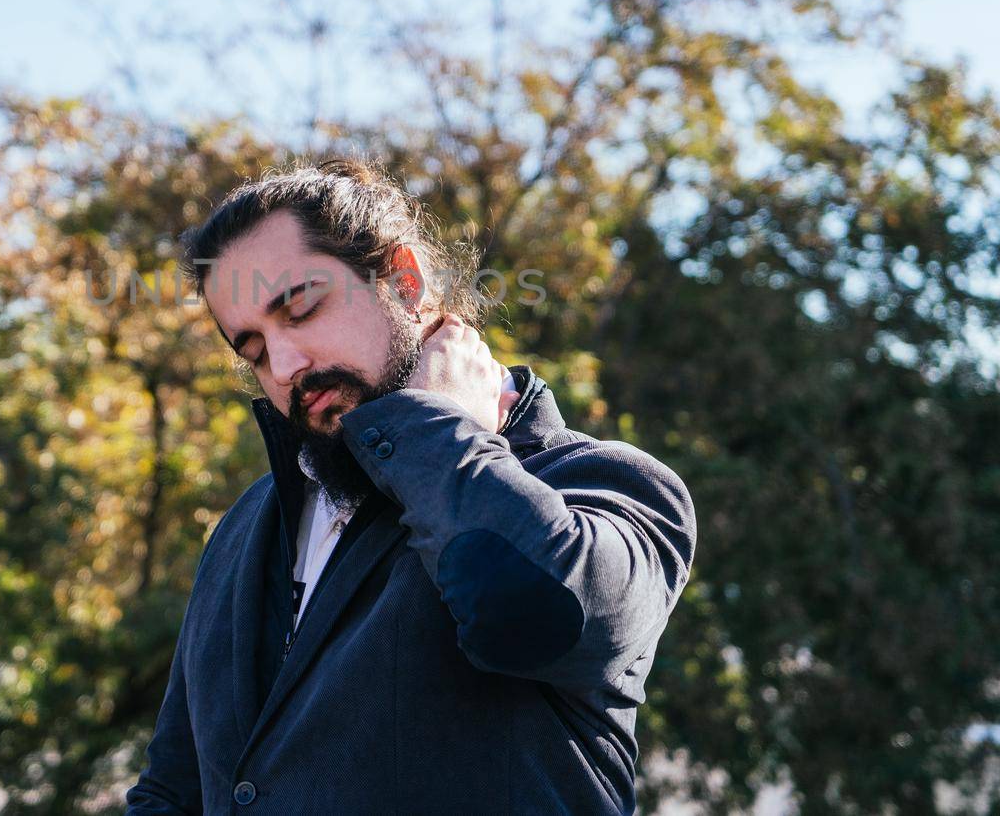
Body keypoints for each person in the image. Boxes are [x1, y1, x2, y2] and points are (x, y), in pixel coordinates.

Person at [126, 159, 696, 814]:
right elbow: (174, 786)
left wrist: (438, 423)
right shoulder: (241, 530)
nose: (284, 367)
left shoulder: (603, 485)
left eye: (302, 306)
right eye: (253, 349)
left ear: (403, 279)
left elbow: (527, 615)